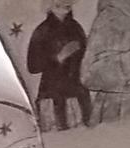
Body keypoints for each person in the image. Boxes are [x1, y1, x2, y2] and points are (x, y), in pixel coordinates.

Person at [26, 2, 93, 131]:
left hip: (77, 90)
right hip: (52, 91)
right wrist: (58, 57)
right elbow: (33, 66)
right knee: (58, 136)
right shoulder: (42, 30)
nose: (64, 4)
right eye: (59, 3)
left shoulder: (76, 28)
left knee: (86, 134)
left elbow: (86, 55)